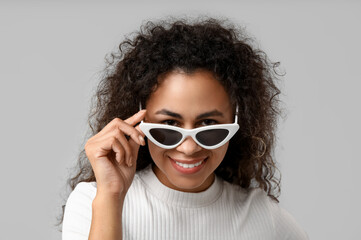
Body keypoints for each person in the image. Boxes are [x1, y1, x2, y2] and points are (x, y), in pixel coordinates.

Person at [60, 17, 308, 240]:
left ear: (237, 122)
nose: (189, 148)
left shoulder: (263, 218)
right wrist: (111, 197)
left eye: (209, 125)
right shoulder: (94, 202)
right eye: (169, 125)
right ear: (138, 120)